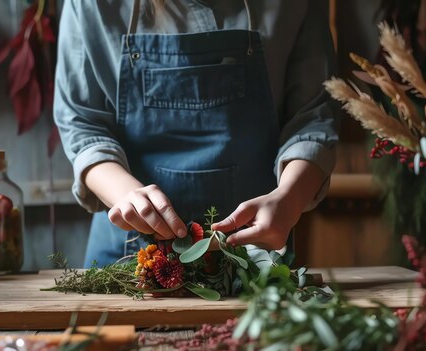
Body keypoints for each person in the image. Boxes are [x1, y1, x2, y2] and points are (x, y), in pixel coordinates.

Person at [54, 0, 339, 268]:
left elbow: (312, 117)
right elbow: (82, 123)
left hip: (255, 254)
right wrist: (124, 194)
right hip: (130, 255)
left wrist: (288, 198)